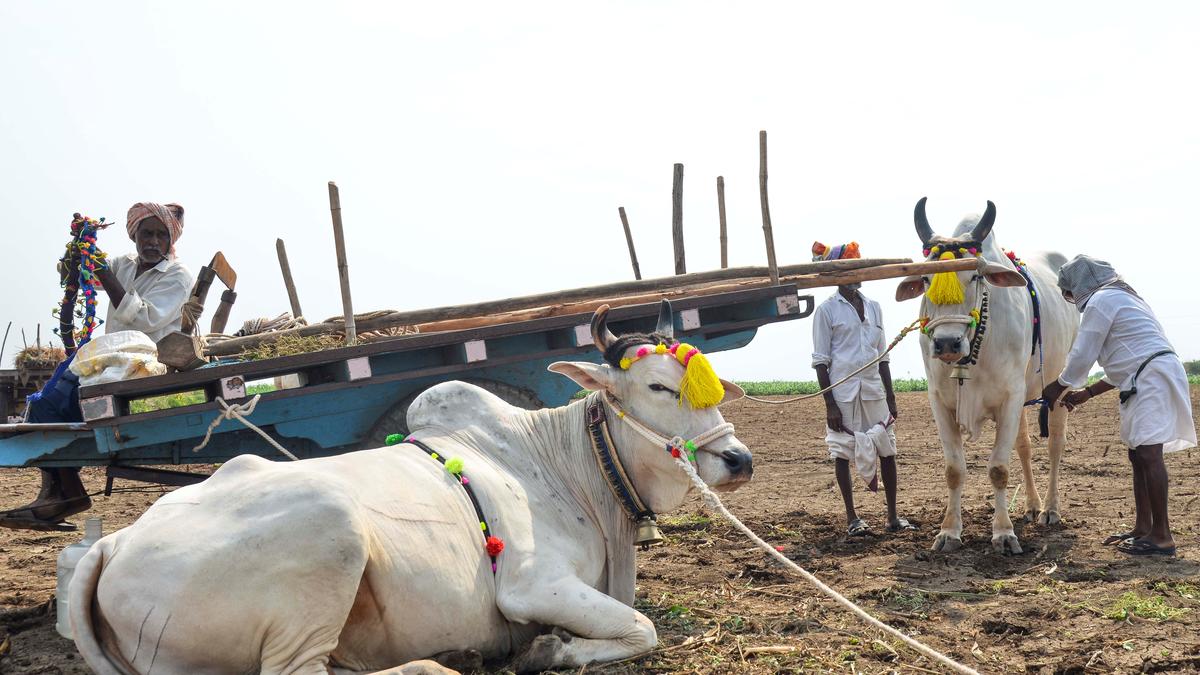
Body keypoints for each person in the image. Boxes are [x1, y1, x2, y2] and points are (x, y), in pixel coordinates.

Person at [0, 202, 193, 531]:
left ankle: (65, 493)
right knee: (45, 405)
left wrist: (101, 269)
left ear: (170, 240)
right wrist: (76, 255)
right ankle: (62, 491)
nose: (153, 241)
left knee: (59, 400)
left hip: (144, 362)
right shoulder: (125, 264)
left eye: (161, 235)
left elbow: (145, 320)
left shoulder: (178, 277)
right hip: (106, 357)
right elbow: (76, 275)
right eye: (146, 233)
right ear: (134, 235)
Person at [1041, 255, 1195, 556]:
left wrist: (1057, 386)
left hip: (1152, 377)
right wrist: (1087, 393)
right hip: (1145, 376)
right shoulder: (1122, 298)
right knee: (1138, 453)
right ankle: (1143, 528)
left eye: (1069, 293)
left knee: (1149, 454)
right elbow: (1122, 361)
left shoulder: (1102, 301)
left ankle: (1162, 536)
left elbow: (1084, 352)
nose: (1070, 299)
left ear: (1080, 287)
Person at [811, 241, 915, 537]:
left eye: (860, 269)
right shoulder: (827, 311)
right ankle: (852, 518)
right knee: (842, 451)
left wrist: (891, 396)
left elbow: (883, 356)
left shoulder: (874, 307)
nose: (858, 275)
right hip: (843, 392)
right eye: (851, 269)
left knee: (887, 448)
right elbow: (821, 362)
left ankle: (893, 516)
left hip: (874, 390)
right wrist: (829, 403)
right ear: (838, 275)